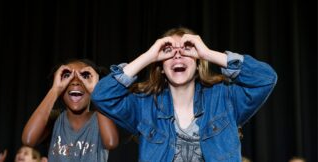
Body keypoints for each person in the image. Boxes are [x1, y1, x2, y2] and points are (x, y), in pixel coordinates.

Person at [91, 27, 277, 161]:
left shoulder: (224, 99)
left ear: (197, 64)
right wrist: (149, 56)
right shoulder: (144, 106)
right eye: (169, 52)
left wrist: (208, 54)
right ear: (161, 67)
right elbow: (101, 96)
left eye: (186, 51)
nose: (177, 56)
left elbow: (265, 78)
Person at [22, 59, 119, 162]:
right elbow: (28, 140)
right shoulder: (55, 119)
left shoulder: (101, 117)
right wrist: (55, 90)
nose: (76, 82)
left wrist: (96, 91)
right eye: (67, 76)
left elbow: (111, 143)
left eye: (85, 76)